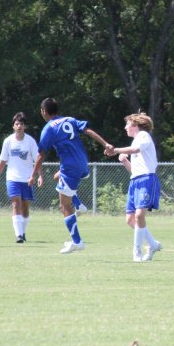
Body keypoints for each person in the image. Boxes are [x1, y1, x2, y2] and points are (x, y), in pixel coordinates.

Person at [28, 98, 113, 254]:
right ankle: (79, 205)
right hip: (82, 163)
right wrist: (105, 144)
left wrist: (32, 175)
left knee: (64, 206)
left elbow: (41, 154)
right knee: (56, 177)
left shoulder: (48, 128)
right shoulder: (70, 120)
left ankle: (77, 242)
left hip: (70, 167)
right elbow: (88, 130)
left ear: (43, 112)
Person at [106, 113, 163, 262]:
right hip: (135, 181)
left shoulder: (143, 135)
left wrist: (117, 150)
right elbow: (134, 170)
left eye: (128, 124)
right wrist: (125, 160)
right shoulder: (135, 142)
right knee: (130, 220)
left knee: (139, 216)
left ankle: (136, 252)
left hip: (146, 180)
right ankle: (152, 244)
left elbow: (136, 150)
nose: (125, 127)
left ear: (135, 125)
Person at [0, 112, 42, 244]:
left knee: (25, 208)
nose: (19, 126)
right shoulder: (8, 141)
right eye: (17, 124)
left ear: (25, 126)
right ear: (13, 126)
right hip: (12, 178)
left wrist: (39, 176)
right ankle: (18, 235)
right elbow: (2, 161)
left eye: (21, 124)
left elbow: (38, 159)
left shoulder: (30, 141)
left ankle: (22, 232)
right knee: (15, 204)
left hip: (27, 178)